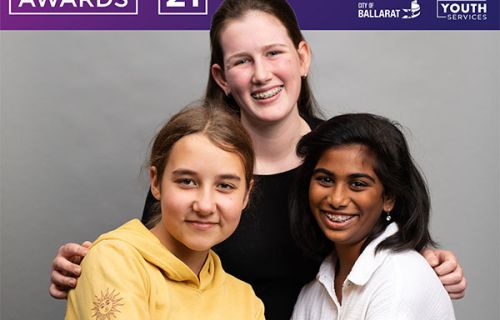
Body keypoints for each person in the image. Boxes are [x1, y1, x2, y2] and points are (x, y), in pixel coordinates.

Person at [50, 1, 466, 319]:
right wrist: (95, 263)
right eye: (242, 61)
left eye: (273, 53)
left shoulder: (341, 157)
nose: (262, 74)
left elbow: (385, 241)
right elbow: (150, 257)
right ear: (221, 78)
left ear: (302, 57)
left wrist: (426, 257)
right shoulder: (196, 162)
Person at [65, 105, 264, 319]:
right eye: (187, 182)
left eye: (225, 186)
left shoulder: (246, 301)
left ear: (246, 195)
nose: (205, 206)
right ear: (156, 182)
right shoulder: (114, 261)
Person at [290, 113, 455, 319]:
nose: (337, 199)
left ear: (389, 198)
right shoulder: (314, 291)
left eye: (357, 184)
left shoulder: (400, 277)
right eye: (325, 179)